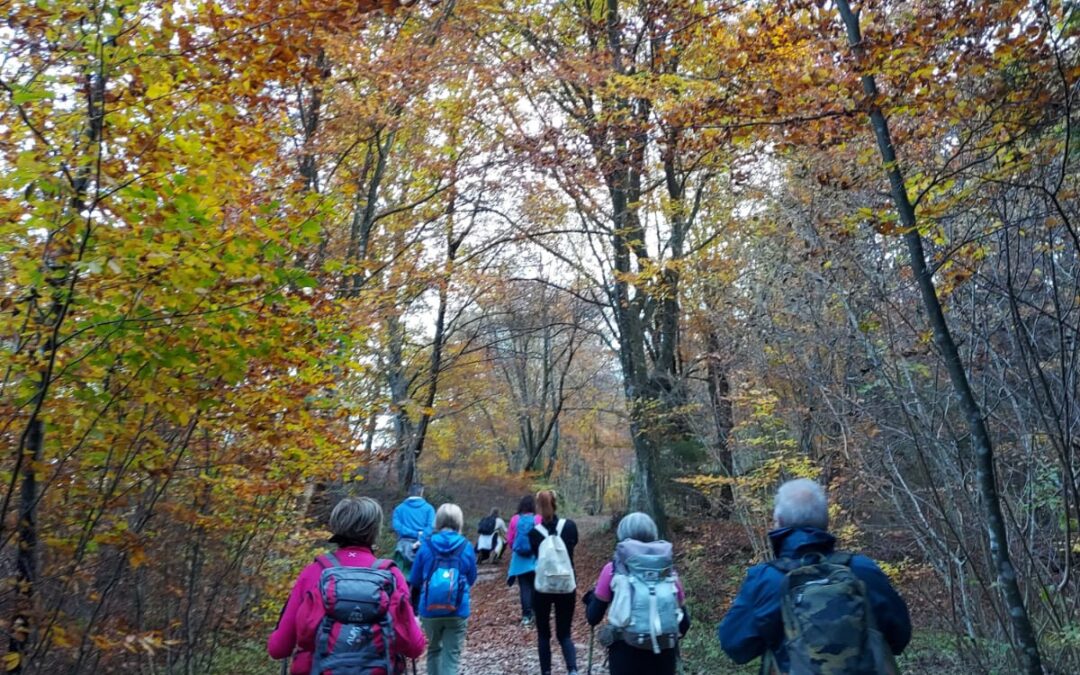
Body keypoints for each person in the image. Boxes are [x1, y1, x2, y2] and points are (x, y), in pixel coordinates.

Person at [718, 478, 912, 674]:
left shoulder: (766, 579)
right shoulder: (863, 570)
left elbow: (735, 646)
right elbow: (900, 638)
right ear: (825, 522)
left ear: (780, 523)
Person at [268, 496, 426, 674]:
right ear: (375, 530)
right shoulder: (391, 575)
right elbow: (415, 648)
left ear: (336, 526)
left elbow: (278, 649)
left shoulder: (314, 573)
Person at [583, 512, 691, 674]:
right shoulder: (668, 572)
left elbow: (593, 617)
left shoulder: (613, 569)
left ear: (622, 536)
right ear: (653, 535)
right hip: (663, 656)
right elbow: (685, 623)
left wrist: (591, 598)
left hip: (625, 657)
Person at [409, 503, 478, 675]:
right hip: (457, 608)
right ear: (459, 521)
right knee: (451, 655)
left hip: (429, 608)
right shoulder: (465, 546)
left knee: (434, 650)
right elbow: (472, 578)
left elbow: (415, 579)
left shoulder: (426, 545)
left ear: (438, 521)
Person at [528, 490, 579, 675]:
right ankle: (572, 669)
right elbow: (573, 546)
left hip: (542, 587)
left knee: (543, 634)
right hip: (567, 586)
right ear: (556, 503)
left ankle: (546, 672)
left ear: (538, 507)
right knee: (564, 634)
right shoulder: (570, 526)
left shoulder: (534, 534)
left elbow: (536, 556)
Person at [506, 494, 541, 627]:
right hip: (535, 558)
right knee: (536, 587)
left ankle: (526, 616)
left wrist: (516, 548)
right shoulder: (538, 519)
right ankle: (537, 613)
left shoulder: (515, 519)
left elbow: (510, 540)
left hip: (519, 560)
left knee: (524, 588)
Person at [392, 483, 436, 580]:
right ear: (421, 492)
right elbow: (431, 527)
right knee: (422, 578)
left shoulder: (399, 508)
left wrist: (413, 533)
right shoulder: (429, 509)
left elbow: (397, 526)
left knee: (400, 578)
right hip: (423, 546)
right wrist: (420, 538)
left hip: (403, 546)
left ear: (409, 493)